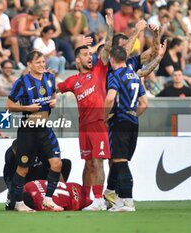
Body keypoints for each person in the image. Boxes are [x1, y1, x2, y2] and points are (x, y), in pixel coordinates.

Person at [56, 11, 114, 211]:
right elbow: (55, 87)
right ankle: (86, 199)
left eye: (91, 54)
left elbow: (107, 47)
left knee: (98, 163)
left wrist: (110, 28)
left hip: (98, 124)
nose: (90, 57)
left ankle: (98, 200)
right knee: (88, 164)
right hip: (84, 127)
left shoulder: (99, 70)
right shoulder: (73, 81)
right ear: (78, 60)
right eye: (86, 55)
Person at [104, 42, 167, 212]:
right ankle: (117, 200)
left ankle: (128, 202)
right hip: (133, 122)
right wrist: (132, 114)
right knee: (119, 162)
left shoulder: (115, 75)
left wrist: (104, 117)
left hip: (120, 121)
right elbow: (144, 103)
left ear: (111, 59)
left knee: (120, 162)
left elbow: (110, 98)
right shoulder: (134, 75)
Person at [6, 50, 63, 212]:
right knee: (23, 168)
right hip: (28, 130)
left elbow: (54, 93)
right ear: (29, 65)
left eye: (43, 62)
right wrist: (27, 108)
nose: (42, 65)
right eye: (38, 62)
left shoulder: (50, 78)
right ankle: (18, 202)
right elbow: (8, 106)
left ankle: (48, 199)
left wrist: (54, 101)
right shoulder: (22, 82)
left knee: (56, 163)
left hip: (45, 128)